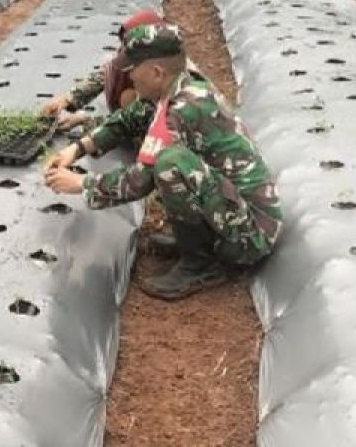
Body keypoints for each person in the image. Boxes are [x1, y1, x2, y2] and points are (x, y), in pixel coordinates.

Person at [43, 22, 282, 300]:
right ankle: (195, 242)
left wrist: (82, 183)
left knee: (169, 164)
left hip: (249, 234)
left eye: (133, 68)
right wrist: (76, 149)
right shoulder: (174, 89)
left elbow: (140, 180)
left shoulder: (185, 109)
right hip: (230, 207)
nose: (129, 76)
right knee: (171, 161)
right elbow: (125, 120)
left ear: (156, 72)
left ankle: (201, 263)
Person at [41, 8, 166, 129]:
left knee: (128, 97)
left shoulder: (167, 81)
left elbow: (133, 122)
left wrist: (85, 121)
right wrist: (66, 99)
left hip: (154, 137)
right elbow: (106, 74)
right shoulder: (141, 59)